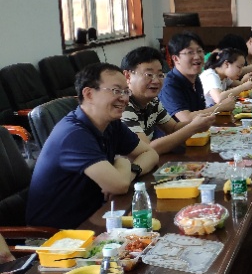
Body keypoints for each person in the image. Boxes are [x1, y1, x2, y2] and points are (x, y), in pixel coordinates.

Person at [26, 63, 159, 229]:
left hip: (95, 216)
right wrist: (122, 161)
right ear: (89, 94)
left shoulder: (111, 123)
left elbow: (150, 154)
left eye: (126, 91)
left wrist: (131, 171)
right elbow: (119, 185)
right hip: (56, 235)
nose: (124, 98)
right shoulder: (73, 134)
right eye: (116, 90)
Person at [121, 47, 216, 155]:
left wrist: (200, 121)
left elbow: (173, 128)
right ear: (128, 76)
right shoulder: (122, 105)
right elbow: (146, 149)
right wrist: (193, 127)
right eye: (149, 75)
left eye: (160, 75)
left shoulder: (152, 102)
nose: (156, 81)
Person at [160, 32, 236, 122]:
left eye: (199, 51)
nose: (197, 56)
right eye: (190, 52)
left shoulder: (195, 79)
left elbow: (200, 112)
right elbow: (186, 118)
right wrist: (220, 107)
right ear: (176, 59)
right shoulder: (169, 85)